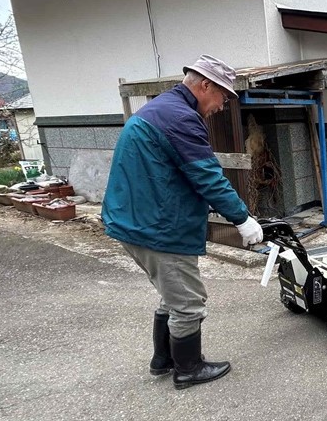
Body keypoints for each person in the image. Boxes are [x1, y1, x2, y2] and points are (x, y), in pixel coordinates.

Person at [102, 54, 264, 390]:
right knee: (189, 302)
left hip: (137, 220)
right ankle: (188, 369)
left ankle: (163, 360)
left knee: (172, 295)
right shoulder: (180, 118)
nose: (222, 105)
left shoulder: (162, 109)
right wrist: (243, 219)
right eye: (223, 96)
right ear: (205, 85)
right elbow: (208, 177)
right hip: (156, 227)